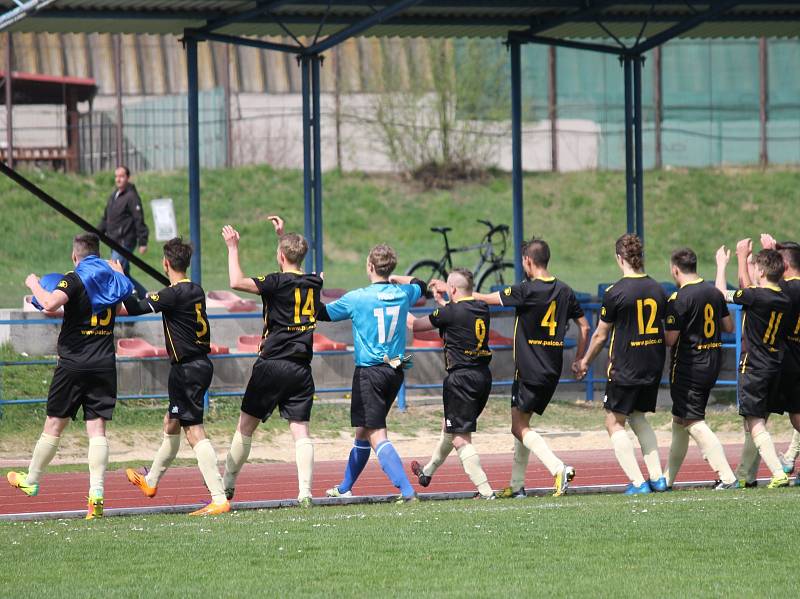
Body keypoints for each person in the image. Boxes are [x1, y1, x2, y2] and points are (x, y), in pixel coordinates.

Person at [7, 233, 131, 519]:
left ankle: (32, 479)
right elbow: (122, 308)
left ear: (75, 257)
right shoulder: (110, 278)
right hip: (103, 362)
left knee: (54, 424)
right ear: (97, 255)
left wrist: (33, 284)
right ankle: (97, 495)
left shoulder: (74, 278)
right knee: (97, 429)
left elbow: (50, 303)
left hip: (74, 363)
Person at [120, 238, 229, 516]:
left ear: (166, 263)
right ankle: (151, 482)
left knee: (194, 431)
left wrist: (120, 278)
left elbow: (133, 308)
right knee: (171, 423)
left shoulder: (172, 295)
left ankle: (218, 498)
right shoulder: (195, 289)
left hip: (187, 369)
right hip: (198, 365)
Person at [472, 238, 588, 498]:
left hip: (528, 369)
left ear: (527, 261)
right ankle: (516, 485)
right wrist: (580, 359)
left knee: (517, 426)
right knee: (522, 423)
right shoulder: (565, 290)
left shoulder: (526, 290)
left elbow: (492, 298)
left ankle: (558, 468)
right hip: (552, 369)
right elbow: (585, 326)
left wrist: (466, 294)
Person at [220, 217, 321, 508]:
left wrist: (232, 247)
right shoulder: (314, 282)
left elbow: (236, 281)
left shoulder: (275, 282)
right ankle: (305, 493)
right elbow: (293, 272)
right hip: (301, 368)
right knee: (301, 431)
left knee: (245, 428)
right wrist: (283, 237)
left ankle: (227, 482)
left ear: (280, 257)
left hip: (272, 364)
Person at [320, 244, 426, 502]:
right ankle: (345, 487)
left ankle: (407, 490)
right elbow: (421, 283)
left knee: (377, 433)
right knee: (363, 431)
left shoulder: (358, 297)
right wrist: (395, 278)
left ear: (369, 266)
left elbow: (321, 313)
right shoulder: (403, 293)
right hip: (395, 370)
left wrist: (313, 286)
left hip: (370, 372)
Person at [576, 234, 668, 495]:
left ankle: (639, 483)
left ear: (619, 258)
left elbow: (600, 335)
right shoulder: (658, 289)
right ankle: (658, 478)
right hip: (652, 364)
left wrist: (584, 361)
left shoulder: (615, 292)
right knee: (638, 416)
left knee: (613, 422)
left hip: (626, 367)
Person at [407, 269, 495, 499]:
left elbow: (416, 325)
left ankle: (485, 491)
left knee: (460, 438)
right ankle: (426, 473)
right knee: (450, 428)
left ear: (453, 289)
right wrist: (445, 300)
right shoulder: (481, 307)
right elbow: (459, 315)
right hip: (483, 376)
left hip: (461, 379)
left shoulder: (450, 312)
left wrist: (394, 306)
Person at [715, 240, 791, 489]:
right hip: (775, 364)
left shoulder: (756, 296)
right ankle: (747, 475)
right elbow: (751, 292)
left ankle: (778, 472)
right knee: (757, 422)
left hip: (754, 366)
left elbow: (720, 294)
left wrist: (722, 265)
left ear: (760, 271)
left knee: (754, 422)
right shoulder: (784, 298)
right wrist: (746, 261)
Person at [662, 248, 738, 490]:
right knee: (680, 419)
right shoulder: (713, 293)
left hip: (689, 366)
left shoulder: (679, 299)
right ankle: (667, 479)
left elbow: (671, 340)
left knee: (693, 420)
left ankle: (727, 477)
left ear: (675, 269)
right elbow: (729, 326)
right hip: (711, 361)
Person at [760, 235, 800, 484]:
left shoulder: (786, 289)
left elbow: (758, 290)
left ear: (783, 266)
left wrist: (763, 256)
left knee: (758, 416)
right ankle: (786, 461)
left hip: (786, 360)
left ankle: (746, 475)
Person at [98, 165, 149, 298]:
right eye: (116, 176)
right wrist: (95, 235)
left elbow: (139, 218)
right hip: (114, 241)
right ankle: (145, 296)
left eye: (121, 176)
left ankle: (113, 302)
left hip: (124, 242)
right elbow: (106, 218)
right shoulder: (114, 196)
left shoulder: (131, 196)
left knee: (112, 271)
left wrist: (143, 241)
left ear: (128, 178)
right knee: (124, 274)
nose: (118, 179)